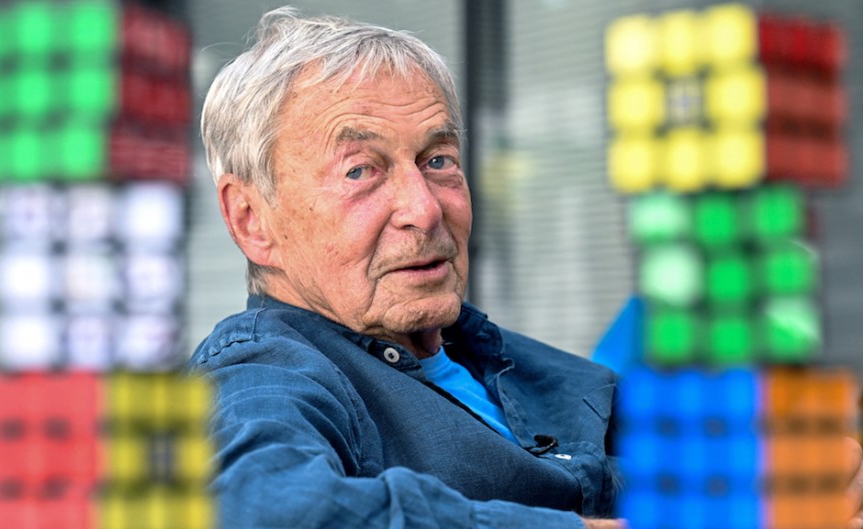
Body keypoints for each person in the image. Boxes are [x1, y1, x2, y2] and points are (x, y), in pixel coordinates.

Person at [190, 7, 863, 529]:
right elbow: (258, 509)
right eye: (362, 171)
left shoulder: (503, 360)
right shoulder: (267, 369)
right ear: (252, 219)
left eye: (438, 160)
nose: (423, 209)